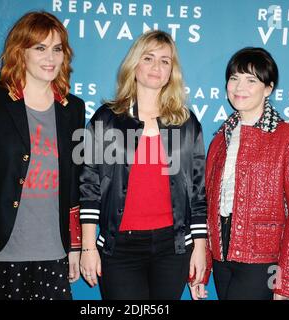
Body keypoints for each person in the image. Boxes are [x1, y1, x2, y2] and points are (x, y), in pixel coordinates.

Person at [0, 11, 85, 300]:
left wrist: (74, 246)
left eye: (57, 49)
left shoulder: (73, 109)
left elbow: (73, 184)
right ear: (20, 51)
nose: (50, 58)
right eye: (40, 48)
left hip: (51, 253)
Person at [78, 30, 208, 300]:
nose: (156, 67)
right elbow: (89, 185)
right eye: (148, 58)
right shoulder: (107, 119)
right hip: (119, 248)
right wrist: (88, 247)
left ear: (172, 70)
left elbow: (197, 191)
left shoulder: (185, 122)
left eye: (165, 60)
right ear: (134, 64)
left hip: (172, 249)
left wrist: (200, 246)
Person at [202, 47, 289, 300]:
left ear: (268, 88)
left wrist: (288, 285)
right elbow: (209, 205)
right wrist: (205, 267)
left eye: (251, 80)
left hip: (263, 261)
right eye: (234, 78)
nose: (239, 87)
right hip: (222, 257)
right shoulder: (220, 139)